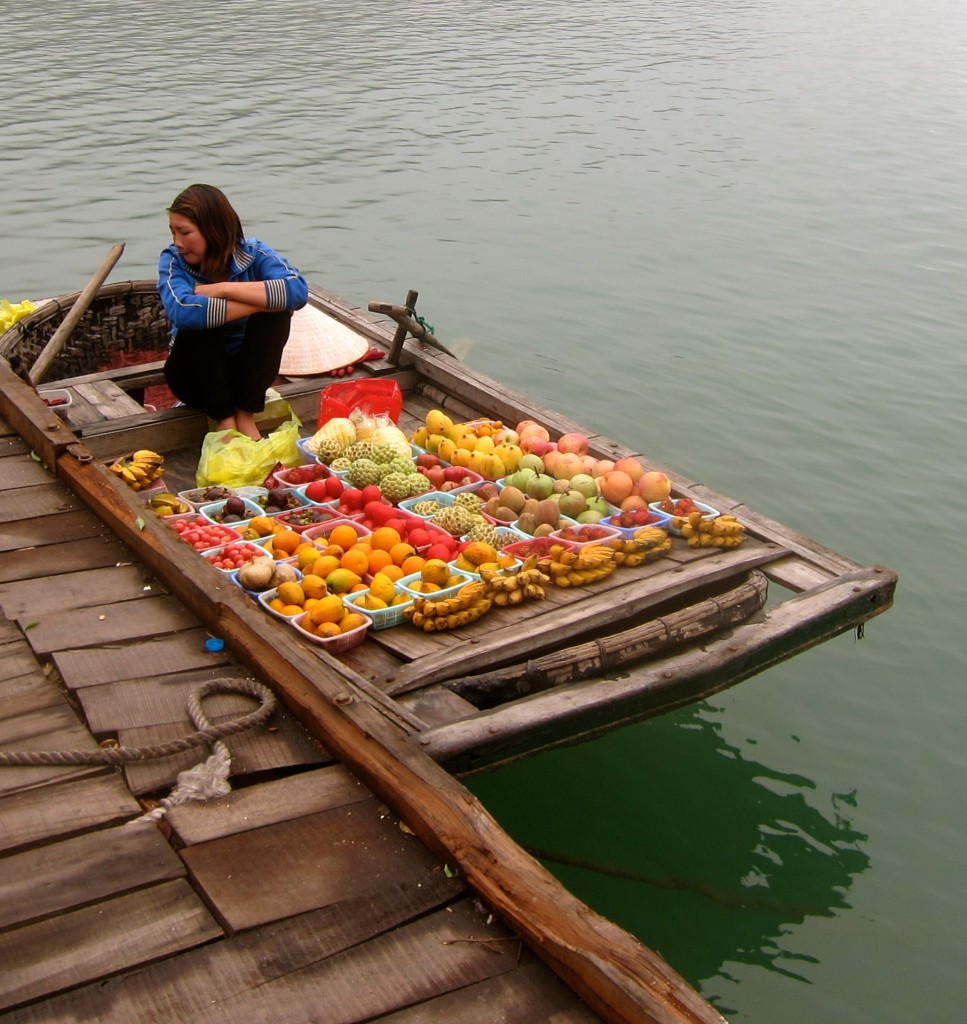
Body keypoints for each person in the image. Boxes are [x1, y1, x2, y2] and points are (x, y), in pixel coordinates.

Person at [157, 183, 309, 439]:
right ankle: (224, 419)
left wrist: (223, 289)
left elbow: (298, 291)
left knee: (277, 313)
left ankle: (245, 415)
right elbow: (182, 311)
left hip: (244, 379)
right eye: (174, 232)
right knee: (202, 318)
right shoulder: (173, 260)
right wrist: (263, 299)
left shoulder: (255, 253)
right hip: (194, 379)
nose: (178, 242)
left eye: (185, 233)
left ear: (213, 229)